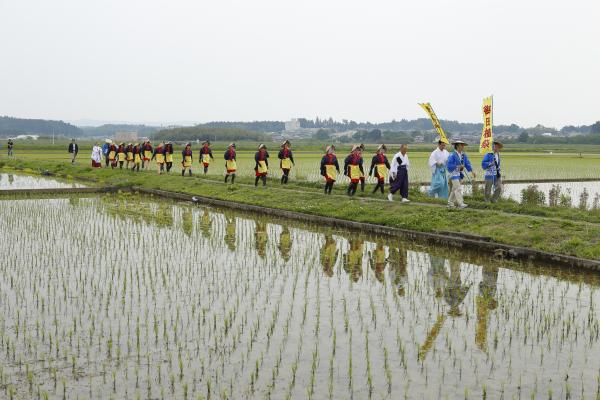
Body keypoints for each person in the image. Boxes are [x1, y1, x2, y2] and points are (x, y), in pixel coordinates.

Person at [447, 140, 476, 209]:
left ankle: (450, 203)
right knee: (458, 188)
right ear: (457, 146)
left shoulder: (463, 155)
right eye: (461, 145)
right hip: (453, 173)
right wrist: (457, 166)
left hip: (459, 174)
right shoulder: (452, 155)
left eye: (463, 145)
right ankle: (461, 203)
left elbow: (467, 164)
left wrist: (472, 171)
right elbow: (449, 165)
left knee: (454, 189)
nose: (463, 147)